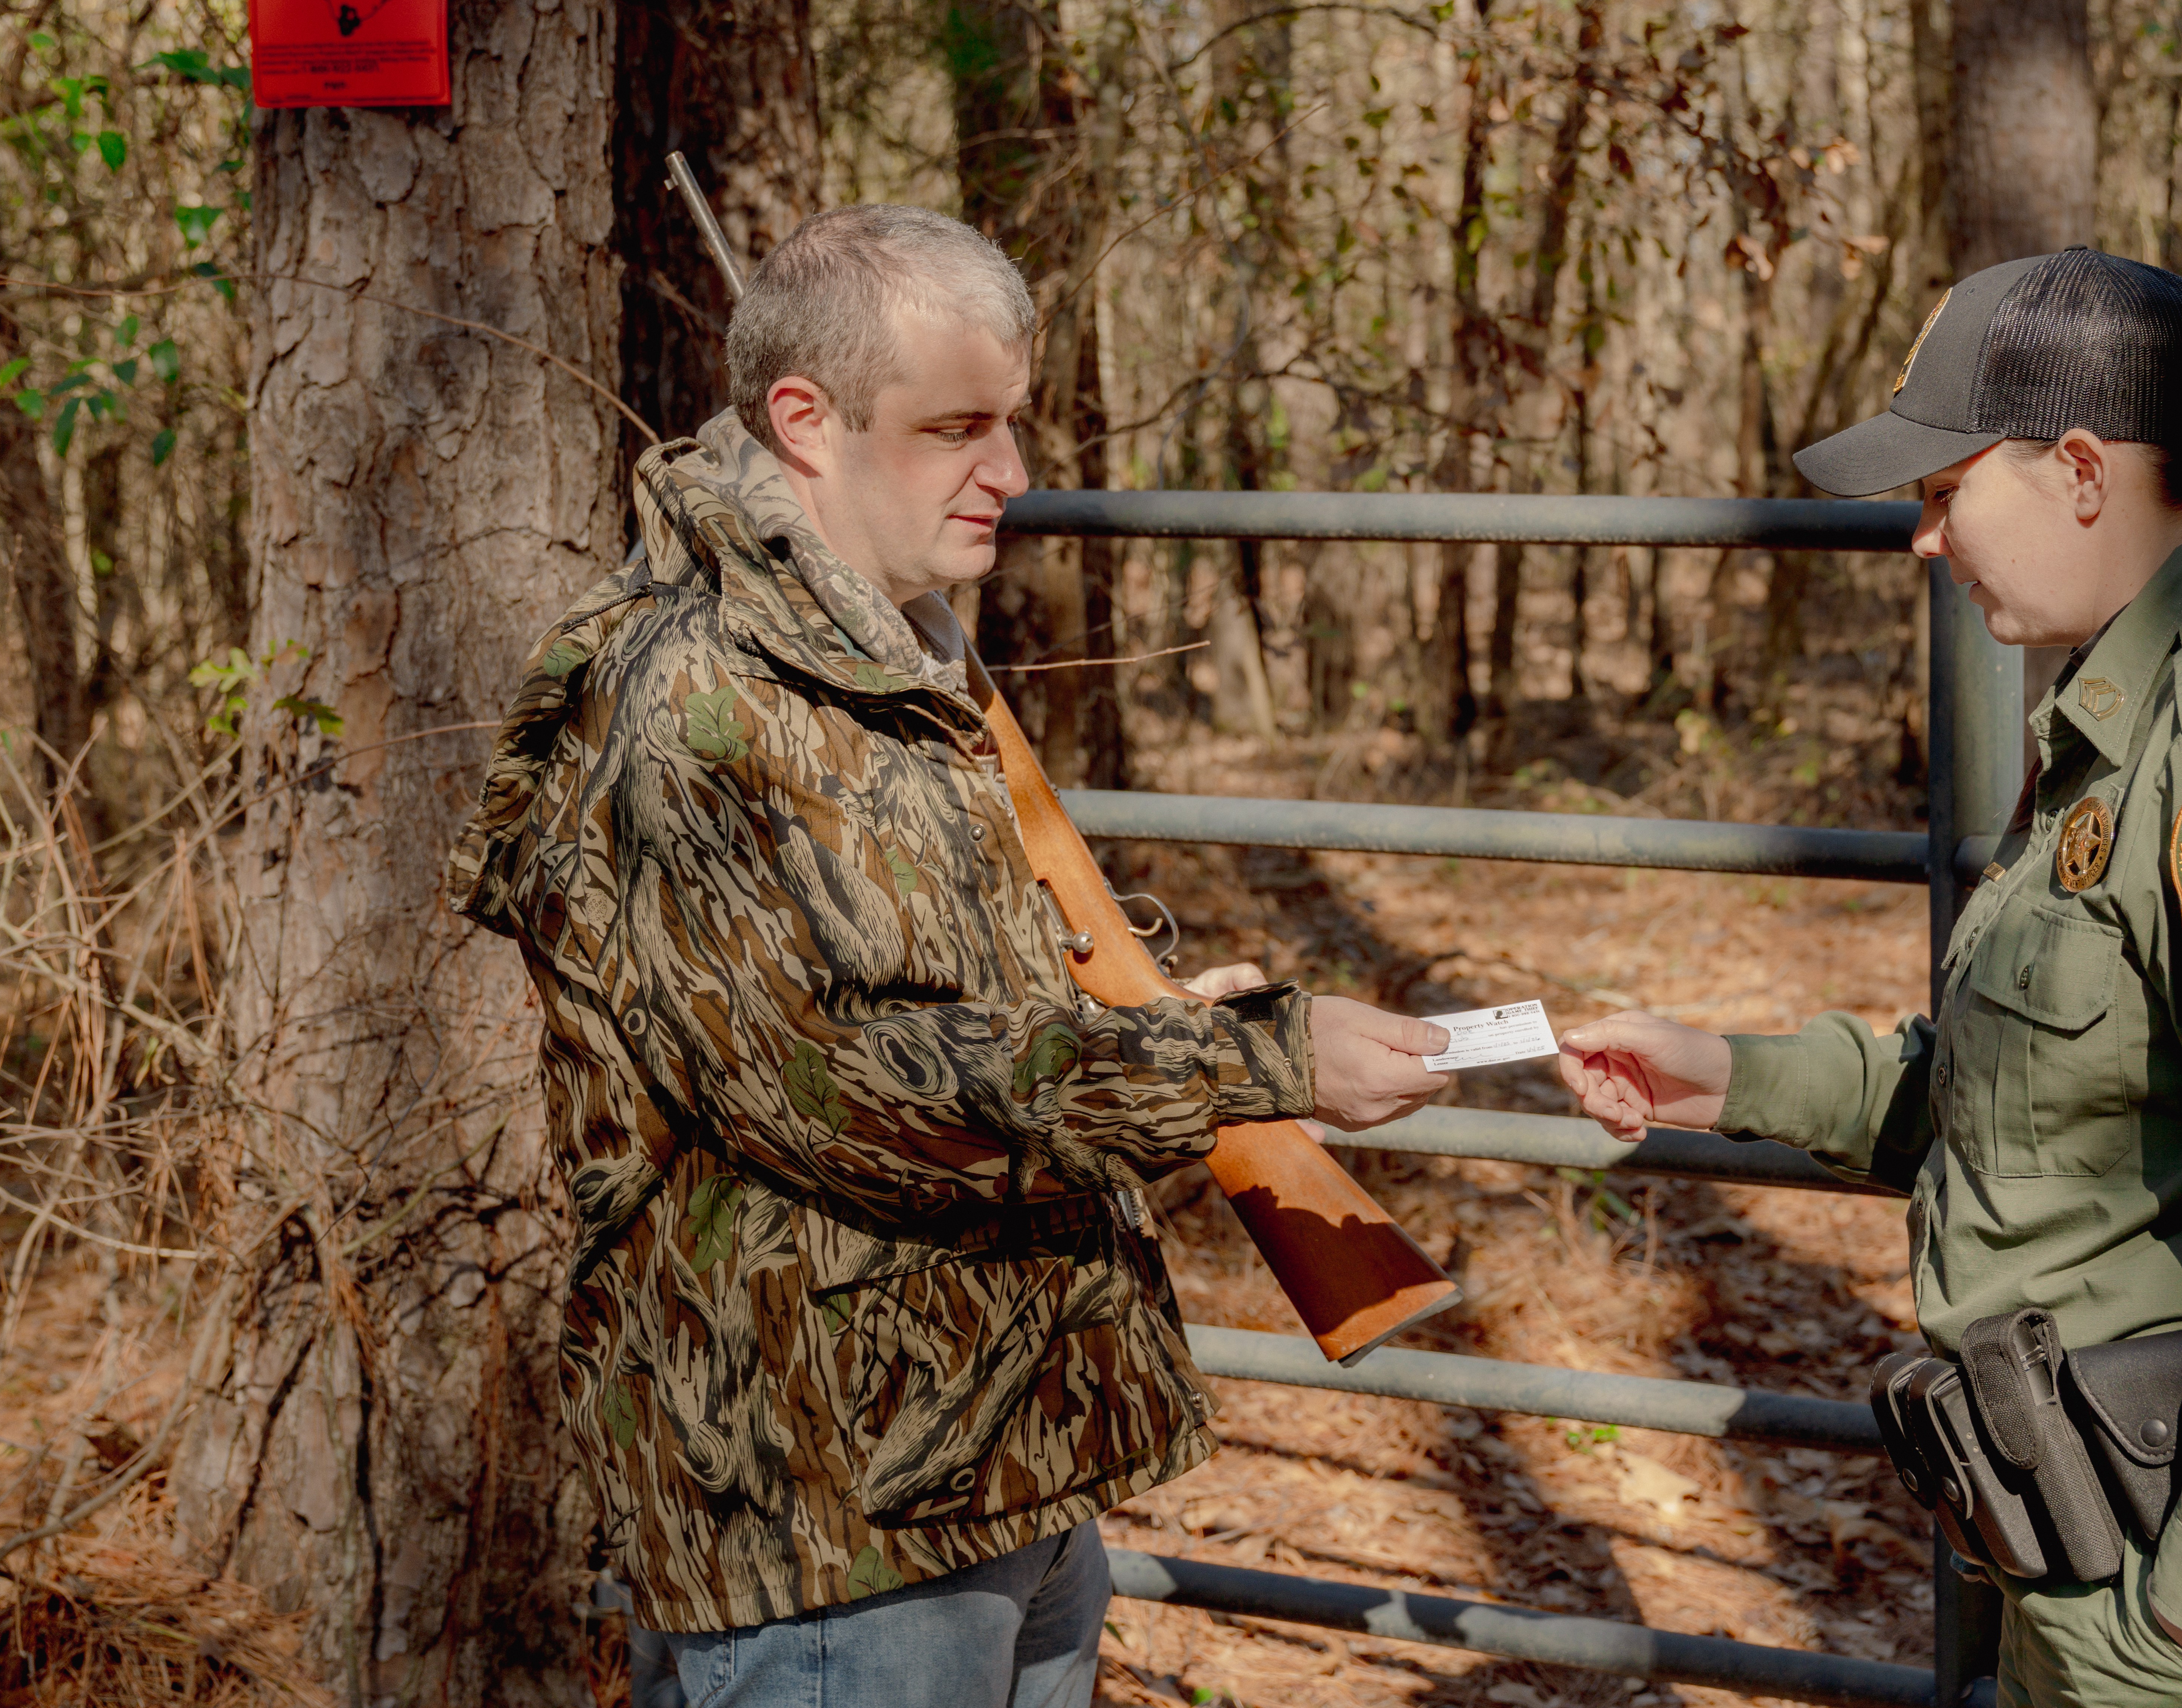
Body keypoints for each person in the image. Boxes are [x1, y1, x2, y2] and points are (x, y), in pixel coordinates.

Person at [448, 205, 1453, 1706]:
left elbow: (948, 996)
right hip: (830, 1518)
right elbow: (841, 1088)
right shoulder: (687, 702)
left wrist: (1166, 1020)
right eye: (956, 427)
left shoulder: (897, 649)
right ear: (806, 420)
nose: (1013, 473)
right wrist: (1245, 1061)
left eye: (1015, 423)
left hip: (1002, 1455)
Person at [1556, 247, 2182, 1707]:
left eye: (1945, 493)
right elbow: (2039, 1098)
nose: (1925, 543)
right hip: (2105, 1558)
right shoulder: (2127, 705)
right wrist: (1728, 1069)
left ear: (2081, 468)